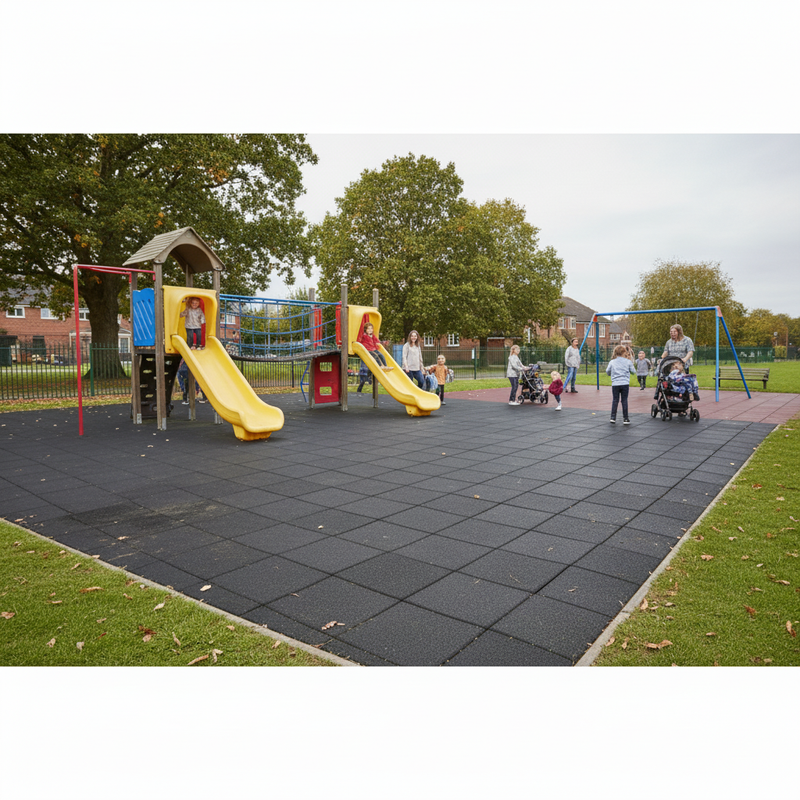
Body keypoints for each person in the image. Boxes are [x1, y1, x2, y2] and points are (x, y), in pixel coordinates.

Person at [605, 344, 636, 424]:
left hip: (615, 383)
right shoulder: (628, 362)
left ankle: (613, 417)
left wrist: (611, 374)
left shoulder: (612, 362)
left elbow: (607, 371)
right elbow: (633, 372)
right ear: (624, 352)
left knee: (615, 400)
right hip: (625, 383)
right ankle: (625, 418)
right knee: (624, 400)